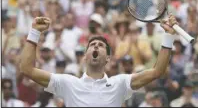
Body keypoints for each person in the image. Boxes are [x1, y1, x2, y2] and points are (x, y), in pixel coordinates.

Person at [20, 15, 178, 107]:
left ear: (108, 58)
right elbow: (27, 69)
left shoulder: (121, 83)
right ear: (85, 56)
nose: (96, 46)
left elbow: (158, 71)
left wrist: (169, 36)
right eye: (92, 45)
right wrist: (34, 32)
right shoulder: (68, 83)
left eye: (101, 45)